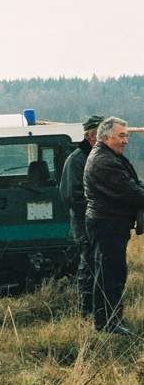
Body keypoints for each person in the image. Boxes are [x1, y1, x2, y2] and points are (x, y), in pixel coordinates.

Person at [83, 116, 144, 336]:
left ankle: (110, 320)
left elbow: (133, 185)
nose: (126, 141)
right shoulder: (104, 161)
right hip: (107, 224)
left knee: (110, 272)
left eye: (126, 136)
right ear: (106, 138)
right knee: (110, 274)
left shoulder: (107, 157)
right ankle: (107, 324)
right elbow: (131, 192)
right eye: (121, 136)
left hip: (109, 223)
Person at [60, 115, 104, 319]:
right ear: (92, 135)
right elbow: (72, 195)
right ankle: (86, 311)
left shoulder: (103, 157)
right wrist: (98, 210)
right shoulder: (77, 160)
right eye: (102, 134)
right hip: (85, 223)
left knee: (102, 266)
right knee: (88, 266)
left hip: (101, 222)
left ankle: (101, 309)